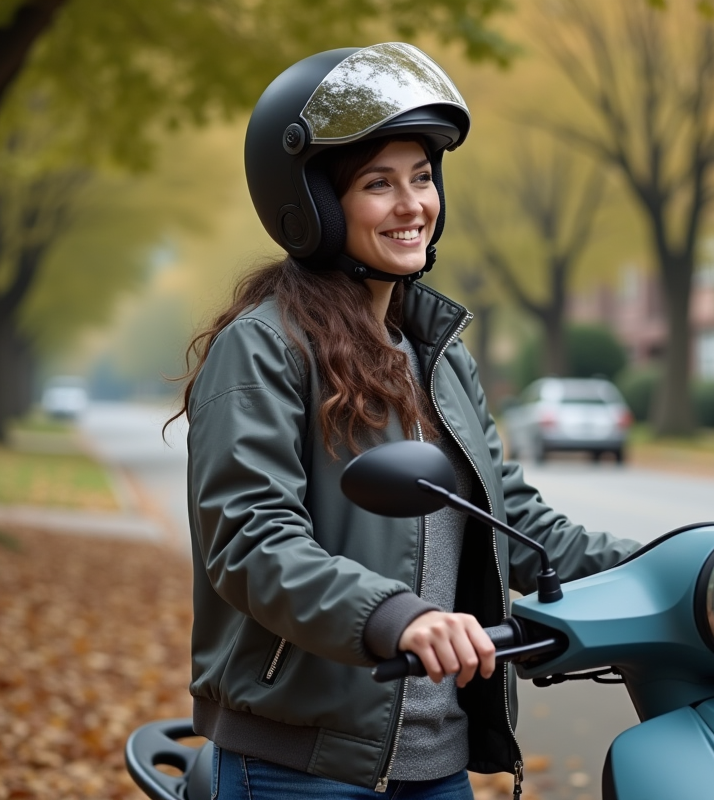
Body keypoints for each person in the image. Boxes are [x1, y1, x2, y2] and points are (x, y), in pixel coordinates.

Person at [172, 43, 642, 799]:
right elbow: (251, 539)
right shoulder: (262, 348)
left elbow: (515, 522)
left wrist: (704, 563)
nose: (412, 204)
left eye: (422, 178)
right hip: (301, 767)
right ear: (315, 205)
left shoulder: (437, 355)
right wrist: (396, 616)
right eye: (377, 184)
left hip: (436, 762)